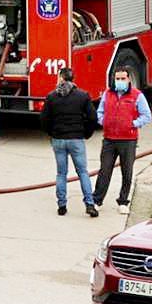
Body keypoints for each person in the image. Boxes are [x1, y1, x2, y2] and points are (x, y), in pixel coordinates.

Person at [92, 67, 151, 216]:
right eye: (117, 79)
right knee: (104, 171)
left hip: (128, 140)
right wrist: (103, 122)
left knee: (127, 172)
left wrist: (132, 124)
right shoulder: (108, 94)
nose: (119, 81)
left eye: (122, 78)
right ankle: (97, 200)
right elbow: (99, 112)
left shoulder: (137, 95)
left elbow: (146, 115)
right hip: (109, 139)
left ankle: (123, 202)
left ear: (128, 79)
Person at [40, 68, 98, 217]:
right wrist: (86, 133)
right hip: (76, 139)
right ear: (73, 78)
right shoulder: (83, 96)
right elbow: (93, 118)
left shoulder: (52, 96)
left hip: (58, 140)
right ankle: (90, 204)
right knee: (83, 172)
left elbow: (44, 119)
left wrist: (52, 133)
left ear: (61, 78)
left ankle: (62, 205)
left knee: (61, 173)